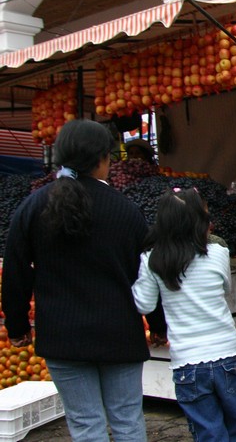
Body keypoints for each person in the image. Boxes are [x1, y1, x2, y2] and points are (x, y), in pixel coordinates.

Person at [1, 118, 152, 441]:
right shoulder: (126, 211)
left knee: (85, 424)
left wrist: (17, 326)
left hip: (62, 336)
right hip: (119, 334)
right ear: (102, 158)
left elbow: (16, 269)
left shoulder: (34, 206)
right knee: (127, 421)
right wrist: (159, 325)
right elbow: (148, 274)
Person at [132, 188, 236, 442]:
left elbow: (143, 304)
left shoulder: (153, 259)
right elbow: (225, 289)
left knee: (209, 434)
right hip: (227, 354)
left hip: (188, 362)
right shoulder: (218, 253)